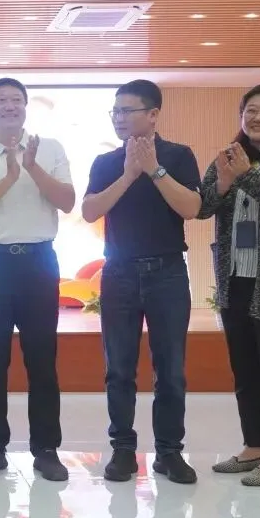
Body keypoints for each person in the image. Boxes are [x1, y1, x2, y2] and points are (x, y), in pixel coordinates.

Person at [0, 78, 75, 482]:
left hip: (38, 263)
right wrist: (8, 178)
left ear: (25, 107)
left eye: (16, 100)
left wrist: (32, 167)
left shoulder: (50, 149)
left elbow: (67, 202)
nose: (10, 106)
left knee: (42, 360)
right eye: (1, 101)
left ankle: (47, 450)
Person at [82, 79, 201, 484]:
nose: (118, 118)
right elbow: (90, 211)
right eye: (114, 111)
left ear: (152, 115)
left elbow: (191, 208)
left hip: (167, 272)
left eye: (126, 110)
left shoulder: (179, 155)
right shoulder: (106, 162)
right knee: (119, 368)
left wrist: (154, 170)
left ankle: (169, 452)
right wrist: (129, 174)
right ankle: (123, 450)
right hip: (119, 273)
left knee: (171, 369)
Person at [198, 83, 260, 487]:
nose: (257, 118)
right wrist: (224, 182)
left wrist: (247, 177)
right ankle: (254, 445)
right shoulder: (227, 157)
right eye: (250, 110)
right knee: (245, 370)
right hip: (235, 276)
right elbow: (203, 207)